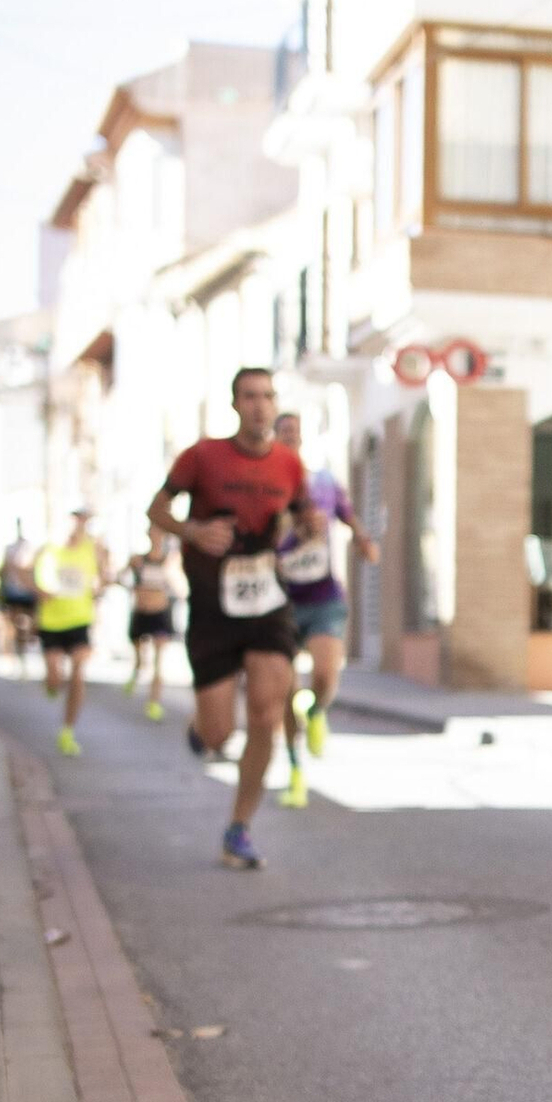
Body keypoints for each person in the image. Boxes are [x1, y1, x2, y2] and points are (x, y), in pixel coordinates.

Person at [146, 369, 317, 871]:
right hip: (213, 605)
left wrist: (311, 527)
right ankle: (206, 730)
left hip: (267, 601)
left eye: (268, 396)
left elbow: (304, 520)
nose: (261, 406)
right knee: (220, 735)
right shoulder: (202, 456)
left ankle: (239, 827)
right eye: (250, 397)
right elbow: (156, 508)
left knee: (266, 713)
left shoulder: (290, 464)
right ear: (234, 404)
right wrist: (192, 531)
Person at [270, 411, 378, 811]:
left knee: (325, 674)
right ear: (274, 440)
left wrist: (365, 542)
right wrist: (292, 535)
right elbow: (256, 544)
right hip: (278, 602)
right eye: (284, 434)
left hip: (323, 597)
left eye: (295, 434)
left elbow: (349, 517)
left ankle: (316, 711)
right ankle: (296, 771)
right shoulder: (265, 491)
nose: (291, 439)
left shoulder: (324, 483)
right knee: (284, 689)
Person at [32, 509, 110, 756]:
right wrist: (40, 591)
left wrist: (102, 583)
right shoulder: (48, 549)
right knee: (55, 676)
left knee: (78, 672)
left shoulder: (92, 548)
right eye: (74, 518)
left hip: (80, 620)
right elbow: (26, 574)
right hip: (52, 622)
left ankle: (67, 731)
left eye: (83, 519)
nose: (78, 523)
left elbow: (104, 576)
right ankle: (52, 684)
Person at [122, 525, 180, 720]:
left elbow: (180, 585)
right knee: (140, 657)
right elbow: (121, 577)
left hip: (160, 614)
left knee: (158, 662)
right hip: (141, 612)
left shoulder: (170, 561)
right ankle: (136, 670)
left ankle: (153, 702)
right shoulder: (138, 560)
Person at [0, 524, 39, 670]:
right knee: (9, 626)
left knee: (22, 625)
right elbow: (4, 570)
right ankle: (9, 656)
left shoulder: (32, 549)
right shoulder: (9, 548)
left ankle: (20, 652)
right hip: (12, 592)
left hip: (26, 593)